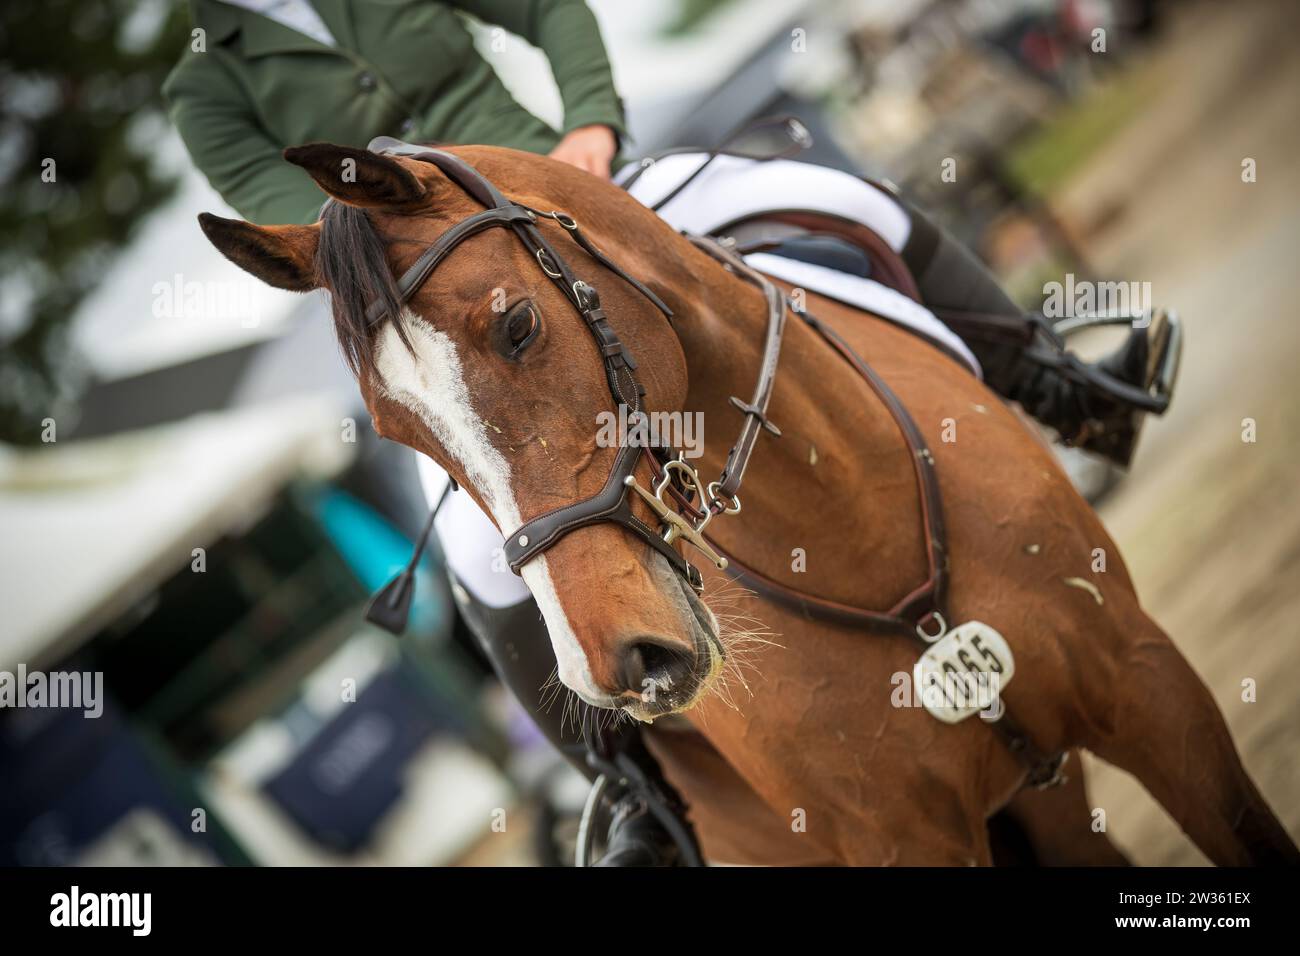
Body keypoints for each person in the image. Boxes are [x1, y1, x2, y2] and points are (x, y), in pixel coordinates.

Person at [169, 0, 1177, 866]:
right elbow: (303, 221)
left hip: (567, 193)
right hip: (447, 293)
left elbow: (550, 13)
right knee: (480, 554)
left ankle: (1057, 379)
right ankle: (631, 785)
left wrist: (591, 126)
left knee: (835, 196)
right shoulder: (206, 86)